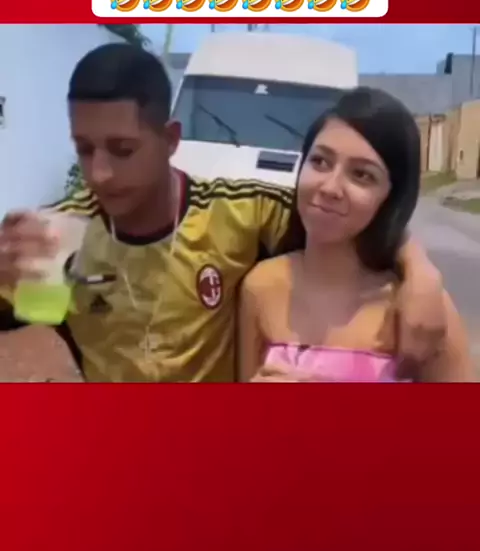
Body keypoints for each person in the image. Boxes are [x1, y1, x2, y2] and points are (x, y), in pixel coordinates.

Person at [0, 44, 446, 382]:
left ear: (171, 140)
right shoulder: (56, 235)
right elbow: (19, 321)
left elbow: (337, 218)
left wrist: (420, 271)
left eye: (123, 150)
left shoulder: (241, 212)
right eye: (84, 149)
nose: (100, 173)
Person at [238, 88, 474, 383]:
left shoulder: (420, 308)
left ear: (391, 198)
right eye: (320, 161)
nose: (330, 187)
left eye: (362, 175)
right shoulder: (260, 287)